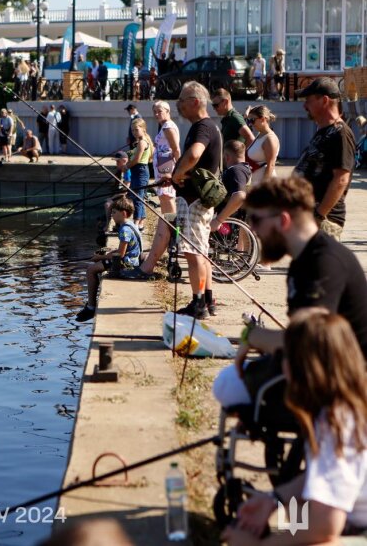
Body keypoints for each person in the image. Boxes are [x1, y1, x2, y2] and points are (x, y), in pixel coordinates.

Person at [212, 177, 367, 409]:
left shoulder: (324, 262)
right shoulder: (303, 259)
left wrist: (253, 337)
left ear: (283, 220)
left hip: (342, 388)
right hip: (320, 371)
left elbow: (311, 341)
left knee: (228, 384)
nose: (252, 229)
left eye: (255, 219)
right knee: (231, 382)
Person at [222, 309, 367, 546]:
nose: (281, 364)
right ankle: (290, 535)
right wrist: (273, 499)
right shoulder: (342, 406)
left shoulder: (338, 422)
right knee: (302, 508)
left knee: (317, 538)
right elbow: (320, 478)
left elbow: (327, 524)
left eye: (285, 356)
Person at [123, 81, 222, 321]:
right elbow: (199, 163)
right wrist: (176, 177)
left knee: (193, 252)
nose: (179, 105)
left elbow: (195, 154)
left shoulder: (203, 127)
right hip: (195, 197)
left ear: (196, 102)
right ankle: (207, 300)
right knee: (202, 250)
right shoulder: (208, 127)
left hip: (194, 201)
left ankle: (198, 304)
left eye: (182, 100)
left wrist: (177, 174)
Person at [293, 77, 356, 241]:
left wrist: (319, 215)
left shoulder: (340, 133)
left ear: (324, 100)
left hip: (324, 220)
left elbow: (341, 179)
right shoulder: (324, 131)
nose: (304, 106)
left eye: (308, 100)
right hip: (310, 216)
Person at [75, 196, 142, 323]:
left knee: (90, 270)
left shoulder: (125, 230)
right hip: (131, 260)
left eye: (114, 213)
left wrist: (101, 257)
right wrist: (108, 254)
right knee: (95, 266)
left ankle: (91, 306)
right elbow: (121, 250)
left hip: (127, 263)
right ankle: (90, 304)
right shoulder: (131, 225)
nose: (112, 216)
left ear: (123, 213)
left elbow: (121, 254)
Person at [210, 140, 251, 233]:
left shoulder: (236, 170)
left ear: (226, 157)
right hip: (234, 216)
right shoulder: (245, 168)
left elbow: (239, 196)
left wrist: (218, 220)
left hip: (227, 219)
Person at [152, 100, 181, 215]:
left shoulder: (168, 126)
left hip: (166, 166)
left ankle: (172, 226)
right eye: (154, 112)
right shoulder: (164, 126)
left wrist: (179, 169)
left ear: (167, 111)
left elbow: (176, 149)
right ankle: (166, 224)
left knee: (167, 196)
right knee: (163, 197)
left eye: (159, 111)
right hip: (162, 166)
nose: (156, 114)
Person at [125, 118, 152, 231]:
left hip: (140, 171)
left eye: (136, 130)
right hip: (138, 172)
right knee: (138, 197)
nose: (134, 132)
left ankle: (135, 224)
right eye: (132, 130)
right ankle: (141, 222)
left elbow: (136, 160)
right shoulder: (141, 141)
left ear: (143, 129)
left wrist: (126, 167)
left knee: (137, 198)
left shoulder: (142, 142)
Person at [245, 105, 280, 186]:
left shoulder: (270, 139)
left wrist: (263, 188)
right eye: (249, 120)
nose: (250, 123)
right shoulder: (260, 135)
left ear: (263, 119)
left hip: (265, 186)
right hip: (256, 184)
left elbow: (270, 165)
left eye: (252, 120)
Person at [103, 151, 132, 230]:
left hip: (125, 197)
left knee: (108, 204)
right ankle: (113, 224)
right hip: (119, 195)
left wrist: (112, 199)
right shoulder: (120, 171)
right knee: (108, 202)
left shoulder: (127, 172)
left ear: (124, 161)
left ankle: (107, 225)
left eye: (118, 161)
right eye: (116, 161)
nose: (116, 163)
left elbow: (125, 191)